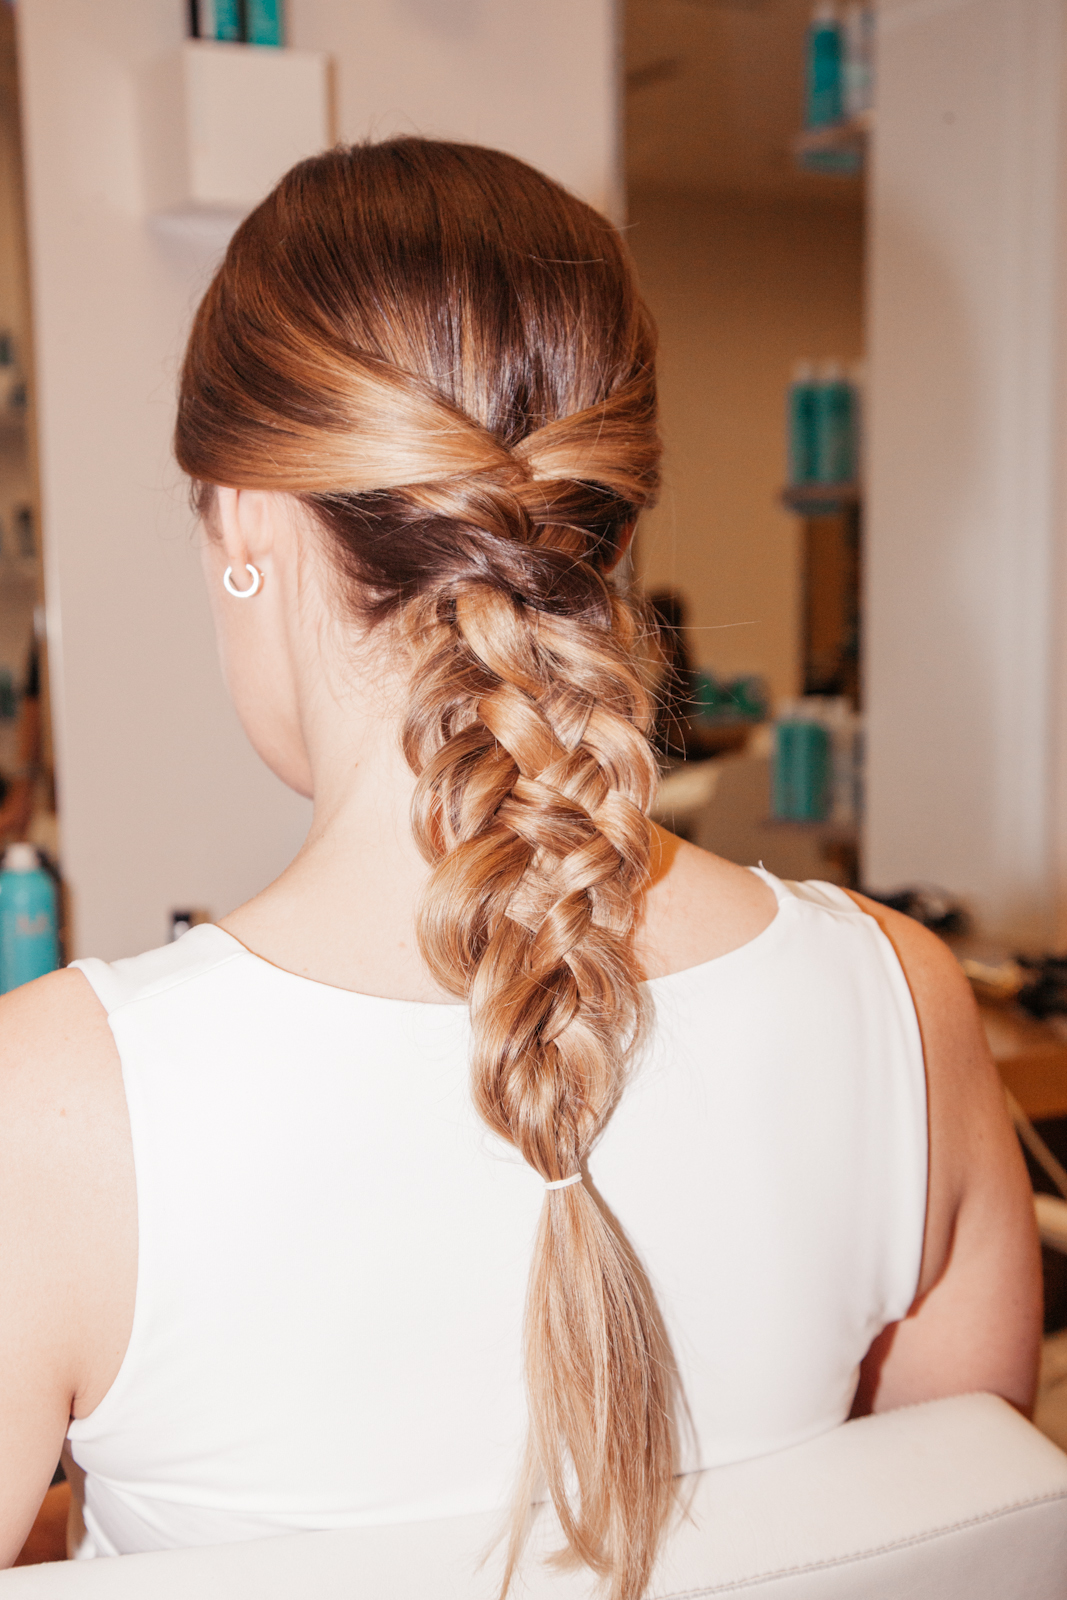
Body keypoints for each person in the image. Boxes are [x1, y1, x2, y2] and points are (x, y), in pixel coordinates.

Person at [0, 139, 1040, 1597]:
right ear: (608, 517)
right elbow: (960, 1551)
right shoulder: (903, 1011)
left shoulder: (48, 1111)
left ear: (240, 516)